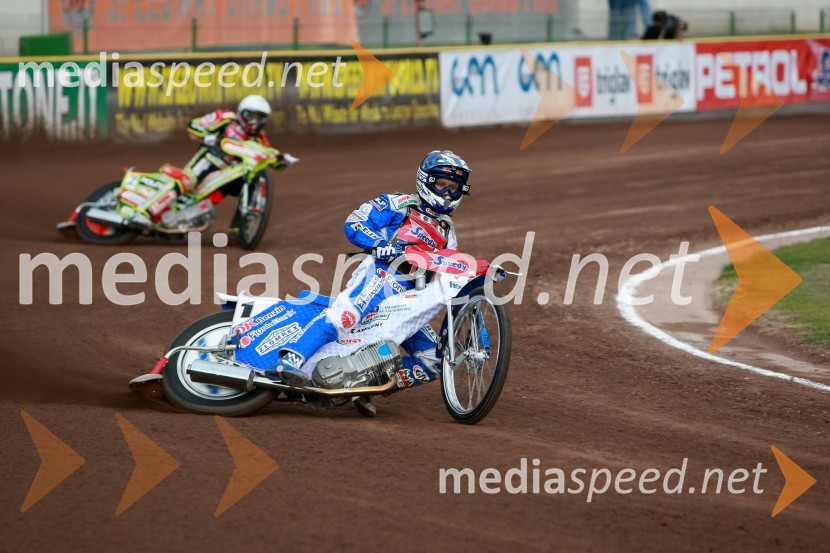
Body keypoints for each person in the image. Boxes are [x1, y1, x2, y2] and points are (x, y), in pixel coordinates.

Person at [265, 150, 472, 392]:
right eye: (441, 184)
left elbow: (455, 273)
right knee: (347, 315)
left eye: (453, 187)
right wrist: (379, 244)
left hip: (412, 298)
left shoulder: (448, 229)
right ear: (425, 181)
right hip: (383, 275)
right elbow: (355, 222)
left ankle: (361, 382)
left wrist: (475, 320)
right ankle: (289, 360)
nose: (447, 193)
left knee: (434, 358)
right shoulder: (400, 203)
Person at [148, 95, 278, 222]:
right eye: (251, 116)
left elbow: (268, 155)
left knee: (248, 182)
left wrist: (280, 159)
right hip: (210, 158)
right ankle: (148, 210)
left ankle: (237, 228)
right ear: (241, 112)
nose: (254, 122)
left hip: (229, 174)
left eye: (259, 118)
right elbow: (194, 125)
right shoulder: (226, 118)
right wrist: (206, 137)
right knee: (187, 181)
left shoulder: (260, 138)